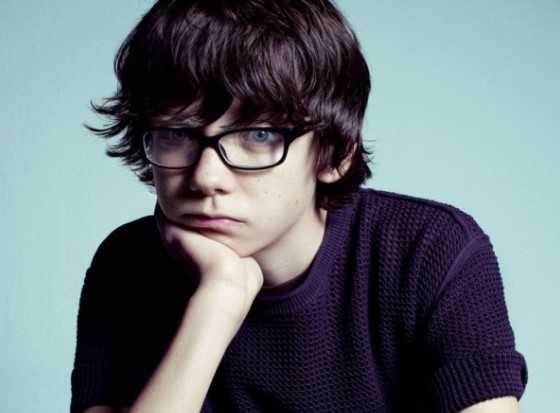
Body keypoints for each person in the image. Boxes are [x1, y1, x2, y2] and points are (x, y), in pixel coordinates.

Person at [70, 1, 528, 412]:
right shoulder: (128, 265)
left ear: (334, 154)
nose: (206, 178)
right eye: (176, 133)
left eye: (258, 135)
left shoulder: (429, 252)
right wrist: (218, 302)